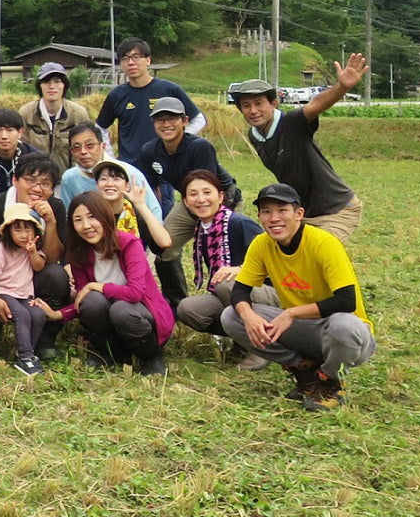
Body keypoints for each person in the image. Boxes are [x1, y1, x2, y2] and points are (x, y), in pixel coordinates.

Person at [221, 184, 375, 412]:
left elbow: (346, 301)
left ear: (299, 214)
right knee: (232, 316)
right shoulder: (261, 244)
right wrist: (248, 316)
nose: (274, 218)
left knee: (343, 326)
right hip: (305, 330)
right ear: (259, 217)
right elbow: (240, 290)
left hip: (348, 335)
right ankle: (305, 370)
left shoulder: (324, 243)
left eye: (282, 210)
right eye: (266, 212)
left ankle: (331, 381)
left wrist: (291, 313)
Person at [231, 57, 367, 240]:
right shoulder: (255, 135)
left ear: (273, 104)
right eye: (246, 106)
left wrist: (341, 87)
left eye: (258, 103)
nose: (253, 110)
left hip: (336, 210)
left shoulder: (291, 123)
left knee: (317, 251)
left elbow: (314, 106)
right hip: (302, 214)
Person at [53, 193, 174, 376]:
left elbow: (134, 293)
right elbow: (82, 299)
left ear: (105, 217)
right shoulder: (79, 252)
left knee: (121, 310)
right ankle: (112, 353)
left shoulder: (129, 244)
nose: (86, 225)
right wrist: (58, 314)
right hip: (111, 316)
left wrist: (97, 286)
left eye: (92, 217)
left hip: (140, 314)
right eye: (78, 220)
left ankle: (150, 355)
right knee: (92, 302)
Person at [138, 97, 241, 307]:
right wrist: (156, 220)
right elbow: (152, 189)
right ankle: (176, 304)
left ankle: (233, 303)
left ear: (185, 121)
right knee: (163, 247)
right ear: (153, 123)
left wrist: (208, 229)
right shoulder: (149, 150)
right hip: (189, 203)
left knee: (224, 253)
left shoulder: (199, 147)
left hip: (221, 201)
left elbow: (207, 189)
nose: (166, 124)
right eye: (160, 119)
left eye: (172, 118)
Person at [0, 155, 70, 360]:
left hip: (29, 277)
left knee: (57, 276)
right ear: (15, 180)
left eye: (45, 184)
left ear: (52, 189)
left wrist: (50, 223)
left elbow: (52, 258)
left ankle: (45, 339)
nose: (38, 189)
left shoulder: (55, 207)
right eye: (30, 181)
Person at [171, 170, 277, 369]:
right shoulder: (203, 230)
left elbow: (275, 260)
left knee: (225, 283)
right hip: (236, 293)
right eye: (193, 194)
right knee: (188, 309)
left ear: (220, 197)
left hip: (272, 294)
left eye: (207, 192)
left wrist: (242, 269)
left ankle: (262, 345)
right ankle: (242, 339)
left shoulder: (239, 223)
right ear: (185, 202)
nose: (201, 199)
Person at [96, 37, 205, 163]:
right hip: (130, 167)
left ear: (148, 60)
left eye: (136, 57)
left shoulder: (170, 89)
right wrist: (111, 159)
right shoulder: (116, 95)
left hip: (166, 164)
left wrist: (179, 141)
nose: (131, 62)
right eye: (125, 58)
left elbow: (199, 120)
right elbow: (99, 128)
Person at [0, 203, 57, 376]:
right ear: (8, 232)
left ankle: (27, 351)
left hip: (24, 294)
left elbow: (38, 266)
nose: (23, 235)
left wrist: (32, 252)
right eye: (18, 230)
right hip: (3, 292)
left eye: (28, 229)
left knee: (38, 315)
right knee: (22, 315)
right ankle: (25, 356)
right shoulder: (1, 249)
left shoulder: (32, 249)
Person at [58, 123, 162, 221]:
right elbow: (68, 216)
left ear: (103, 146)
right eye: (76, 147)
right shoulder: (69, 178)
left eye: (90, 145)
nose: (83, 152)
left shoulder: (128, 172)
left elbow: (153, 211)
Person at [20, 63, 92, 172]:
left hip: (69, 177)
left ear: (64, 85)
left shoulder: (79, 114)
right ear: (40, 86)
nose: (52, 86)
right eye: (46, 82)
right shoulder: (26, 113)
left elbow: (87, 150)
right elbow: (21, 150)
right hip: (35, 176)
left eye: (57, 81)